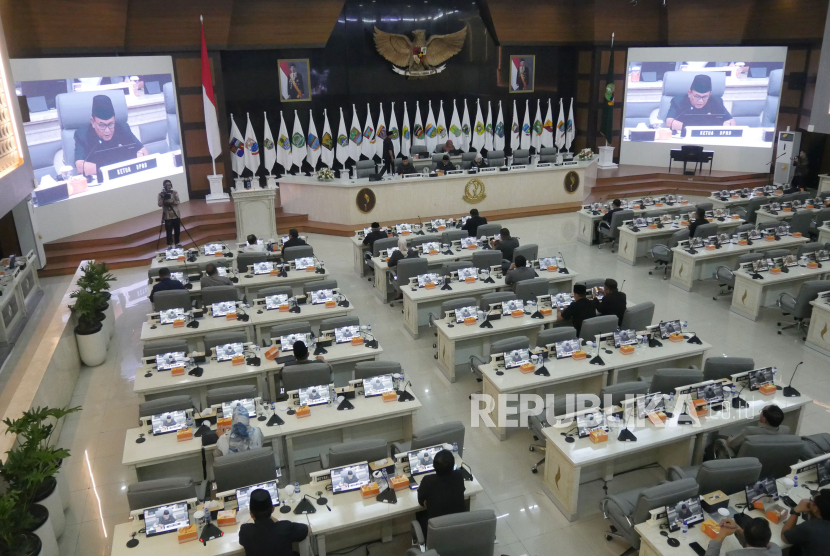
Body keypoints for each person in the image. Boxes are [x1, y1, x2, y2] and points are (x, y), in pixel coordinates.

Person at [74, 94, 148, 179]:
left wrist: (140, 154)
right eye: (102, 125)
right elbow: (80, 166)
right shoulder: (82, 134)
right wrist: (113, 169)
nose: (108, 130)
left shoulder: (122, 128)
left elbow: (144, 151)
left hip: (125, 177)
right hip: (100, 180)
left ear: (114, 119)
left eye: (111, 124)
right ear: (93, 122)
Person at [239, 488, 309, 556]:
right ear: (273, 509)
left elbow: (242, 541)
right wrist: (277, 522)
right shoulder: (285, 527)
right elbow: (307, 529)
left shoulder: (245, 531)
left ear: (251, 513)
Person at [416, 449, 466, 539]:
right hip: (458, 528)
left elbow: (421, 501)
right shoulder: (459, 476)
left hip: (436, 531)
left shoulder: (427, 480)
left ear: (434, 466)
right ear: (452, 466)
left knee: (419, 514)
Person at [665, 74, 736, 131]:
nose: (701, 101)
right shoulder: (678, 101)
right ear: (689, 93)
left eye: (705, 97)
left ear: (709, 94)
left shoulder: (716, 102)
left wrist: (727, 123)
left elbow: (732, 122)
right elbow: (669, 122)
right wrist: (695, 131)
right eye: (697, 96)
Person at [722, 405, 789, 454]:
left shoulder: (750, 431)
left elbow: (730, 444)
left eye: (761, 412)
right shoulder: (786, 430)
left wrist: (730, 437)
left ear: (764, 419)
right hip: (768, 463)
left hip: (744, 462)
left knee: (719, 438)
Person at [781, 490, 830, 556]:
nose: (809, 501)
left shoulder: (810, 527)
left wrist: (796, 511)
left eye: (812, 500)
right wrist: (812, 513)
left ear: (816, 508)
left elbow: (784, 536)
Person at [706, 517, 781, 556]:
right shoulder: (776, 550)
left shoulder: (733, 555)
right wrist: (738, 529)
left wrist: (720, 536)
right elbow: (755, 549)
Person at [158, 180, 181, 247]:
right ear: (164, 186)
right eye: (167, 185)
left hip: (175, 214)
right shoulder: (160, 194)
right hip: (167, 215)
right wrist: (163, 198)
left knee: (177, 230)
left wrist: (172, 201)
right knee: (169, 231)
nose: (168, 186)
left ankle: (177, 243)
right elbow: (159, 204)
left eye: (169, 185)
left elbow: (178, 201)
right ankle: (170, 244)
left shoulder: (174, 192)